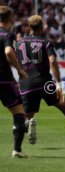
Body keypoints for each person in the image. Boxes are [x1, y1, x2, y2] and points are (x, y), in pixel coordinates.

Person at [15, 15, 65, 148]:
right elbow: (52, 61)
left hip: (26, 82)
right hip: (45, 82)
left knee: (26, 115)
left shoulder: (18, 43)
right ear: (42, 27)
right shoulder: (47, 43)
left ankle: (21, 139)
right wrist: (59, 84)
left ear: (29, 27)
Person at [0, 6, 29, 158]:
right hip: (3, 79)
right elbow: (8, 51)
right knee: (19, 113)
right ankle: (17, 150)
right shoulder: (7, 34)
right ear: (10, 19)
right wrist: (19, 69)